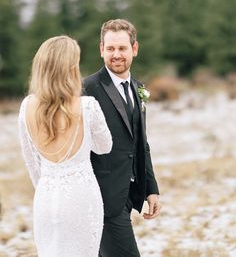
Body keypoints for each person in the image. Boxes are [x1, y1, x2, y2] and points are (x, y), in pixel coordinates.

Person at [18, 35, 112, 257]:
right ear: (70, 68)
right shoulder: (87, 106)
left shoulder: (26, 106)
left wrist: (49, 185)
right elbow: (104, 146)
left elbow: (32, 163)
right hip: (82, 198)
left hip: (45, 199)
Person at [83, 19, 161, 257]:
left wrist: (151, 188)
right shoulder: (87, 89)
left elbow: (140, 144)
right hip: (102, 199)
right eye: (110, 48)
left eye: (122, 48)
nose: (116, 55)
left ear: (134, 49)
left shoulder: (137, 88)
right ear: (101, 49)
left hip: (130, 192)